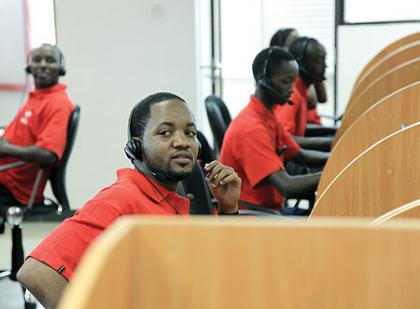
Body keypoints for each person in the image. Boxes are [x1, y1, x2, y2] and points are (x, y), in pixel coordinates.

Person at [17, 92, 241, 309]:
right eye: (165, 133)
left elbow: (214, 269)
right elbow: (36, 273)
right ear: (136, 146)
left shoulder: (170, 199)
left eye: (190, 133)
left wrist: (228, 207)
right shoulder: (119, 201)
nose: (182, 142)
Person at [220, 47, 328, 213]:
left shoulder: (267, 116)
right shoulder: (251, 129)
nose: (292, 89)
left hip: (271, 210)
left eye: (293, 82)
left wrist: (340, 159)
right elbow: (287, 186)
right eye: (286, 82)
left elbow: (302, 156)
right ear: (262, 79)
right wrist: (334, 172)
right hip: (255, 218)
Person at [0, 44, 74, 207]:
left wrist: (6, 149)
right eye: (37, 60)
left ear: (60, 69)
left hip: (12, 188)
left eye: (50, 61)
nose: (42, 64)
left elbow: (48, 154)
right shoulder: (38, 97)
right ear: (29, 67)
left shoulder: (57, 103)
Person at [273, 36, 334, 151]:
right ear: (301, 62)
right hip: (290, 159)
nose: (325, 66)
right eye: (319, 61)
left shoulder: (303, 89)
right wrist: (329, 142)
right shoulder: (292, 93)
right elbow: (285, 138)